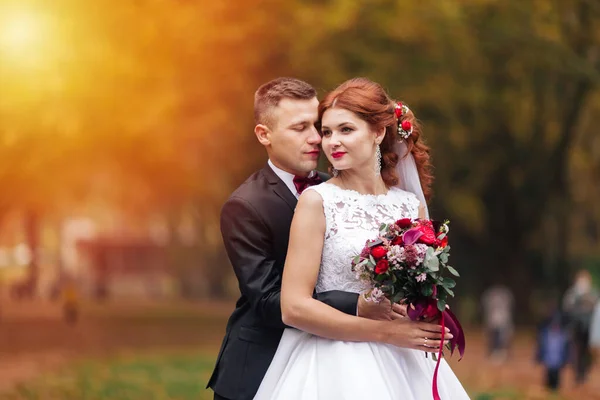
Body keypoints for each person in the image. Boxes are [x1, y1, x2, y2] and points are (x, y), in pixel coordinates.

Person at [254, 78, 469, 399]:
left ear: (378, 133)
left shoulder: (410, 204)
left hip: (404, 364)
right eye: (326, 132)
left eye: (346, 130)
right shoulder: (317, 202)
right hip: (333, 361)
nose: (331, 142)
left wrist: (424, 310)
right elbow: (294, 308)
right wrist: (387, 332)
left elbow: (423, 288)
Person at [207, 78, 414, 400]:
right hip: (264, 359)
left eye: (318, 126)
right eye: (300, 128)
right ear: (265, 135)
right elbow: (268, 303)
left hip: (357, 351)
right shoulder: (246, 205)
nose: (317, 138)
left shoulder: (338, 188)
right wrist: (357, 304)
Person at [562, 269, 598, 385]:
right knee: (576, 351)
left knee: (587, 352)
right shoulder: (571, 294)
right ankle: (577, 374)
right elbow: (566, 309)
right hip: (575, 327)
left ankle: (585, 372)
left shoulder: (593, 293)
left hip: (589, 328)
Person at [536, 309, 569, 391]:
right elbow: (541, 347)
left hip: (558, 360)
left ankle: (555, 386)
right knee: (549, 374)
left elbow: (566, 349)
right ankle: (549, 386)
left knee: (556, 375)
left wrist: (566, 359)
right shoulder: (545, 334)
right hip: (549, 359)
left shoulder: (563, 335)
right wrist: (538, 356)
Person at [481, 284, 514, 362]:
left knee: (501, 337)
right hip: (496, 318)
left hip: (500, 318)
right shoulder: (497, 294)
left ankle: (500, 353)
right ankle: (496, 352)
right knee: (495, 337)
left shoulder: (503, 294)